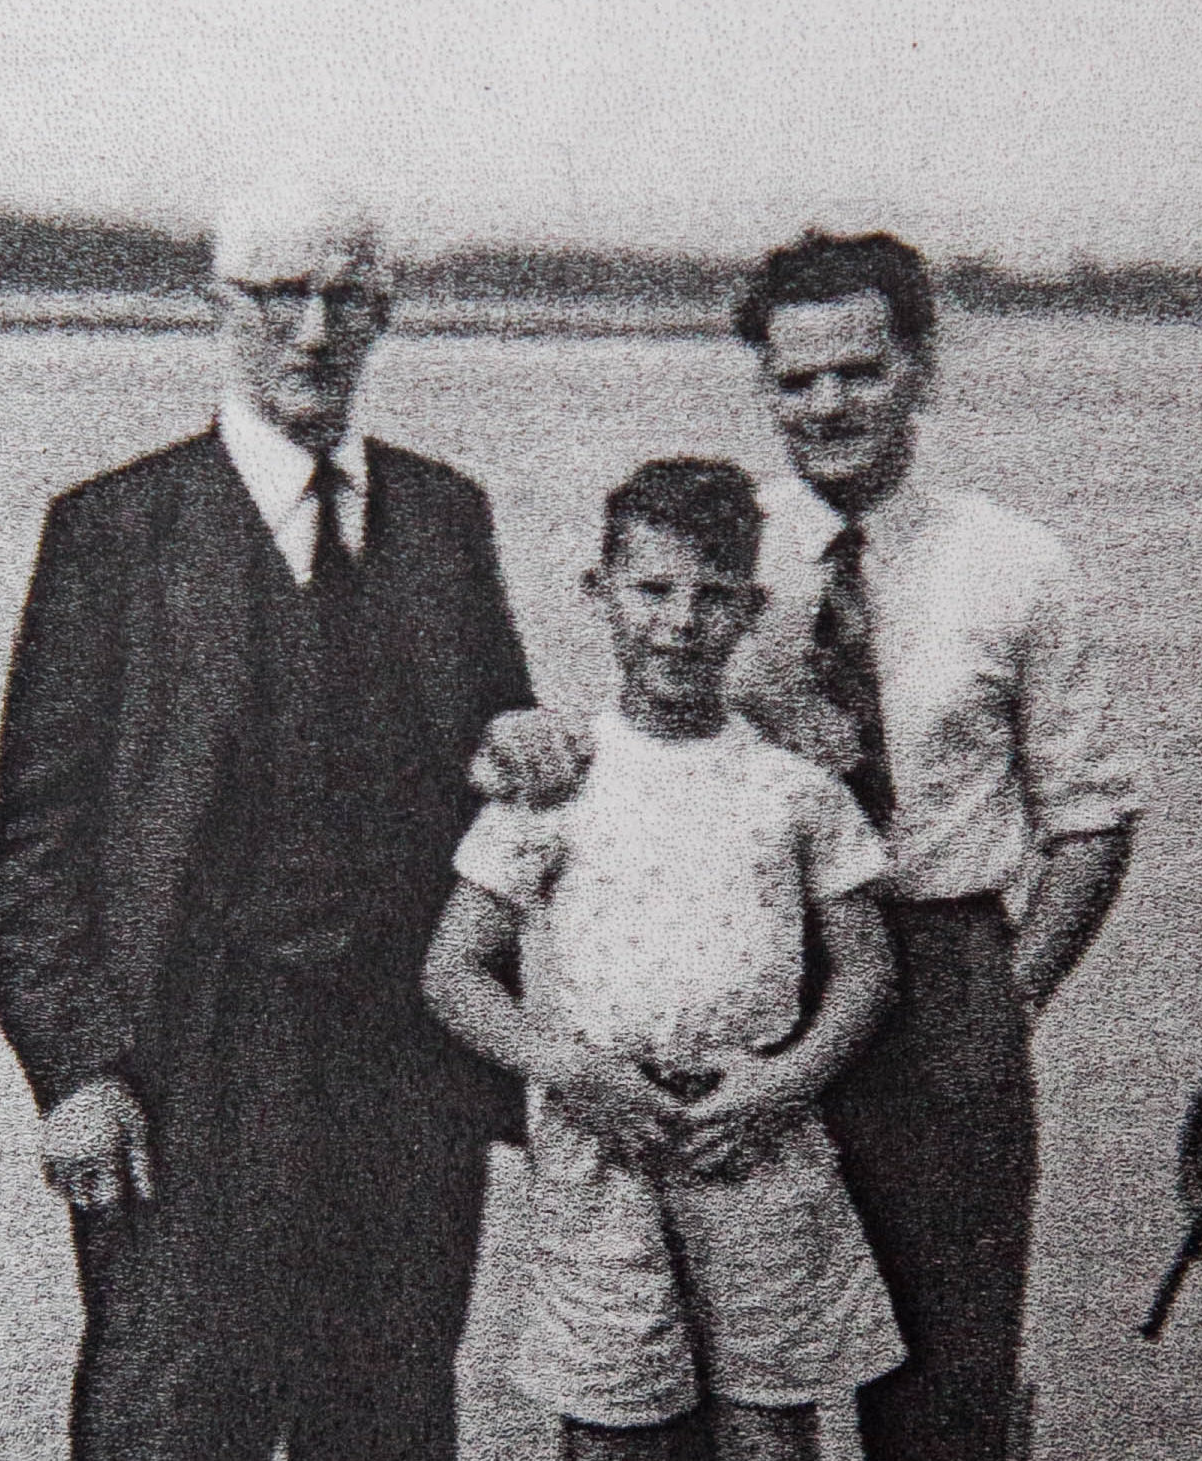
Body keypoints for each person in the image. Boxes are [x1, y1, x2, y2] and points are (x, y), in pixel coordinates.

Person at [474, 232, 1140, 1461]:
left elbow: (1092, 818)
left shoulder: (1016, 563)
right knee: (712, 1373)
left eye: (859, 371)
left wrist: (1004, 995)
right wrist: (516, 737)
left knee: (947, 1366)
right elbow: (622, 737)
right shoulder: (720, 546)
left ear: (920, 369)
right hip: (736, 976)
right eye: (794, 380)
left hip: (940, 963)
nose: (827, 404)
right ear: (764, 388)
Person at [0, 194, 533, 1460]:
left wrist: (528, 745)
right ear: (216, 310)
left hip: (402, 1077)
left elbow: (495, 763)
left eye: (346, 298)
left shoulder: (447, 519)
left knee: (388, 1424)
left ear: (384, 314)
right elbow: (33, 852)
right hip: (182, 1079)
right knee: (167, 1420)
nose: (314, 330)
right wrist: (76, 1072)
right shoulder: (114, 530)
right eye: (278, 296)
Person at [426, 459, 906, 1461]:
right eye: (651, 590)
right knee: (610, 1424)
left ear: (750, 609)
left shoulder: (794, 787)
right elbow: (453, 972)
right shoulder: (555, 780)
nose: (680, 623)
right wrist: (567, 1069)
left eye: (713, 596)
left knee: (771, 1426)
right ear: (599, 595)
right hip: (600, 1136)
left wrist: (787, 1082)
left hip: (757, 1130)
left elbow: (867, 971)